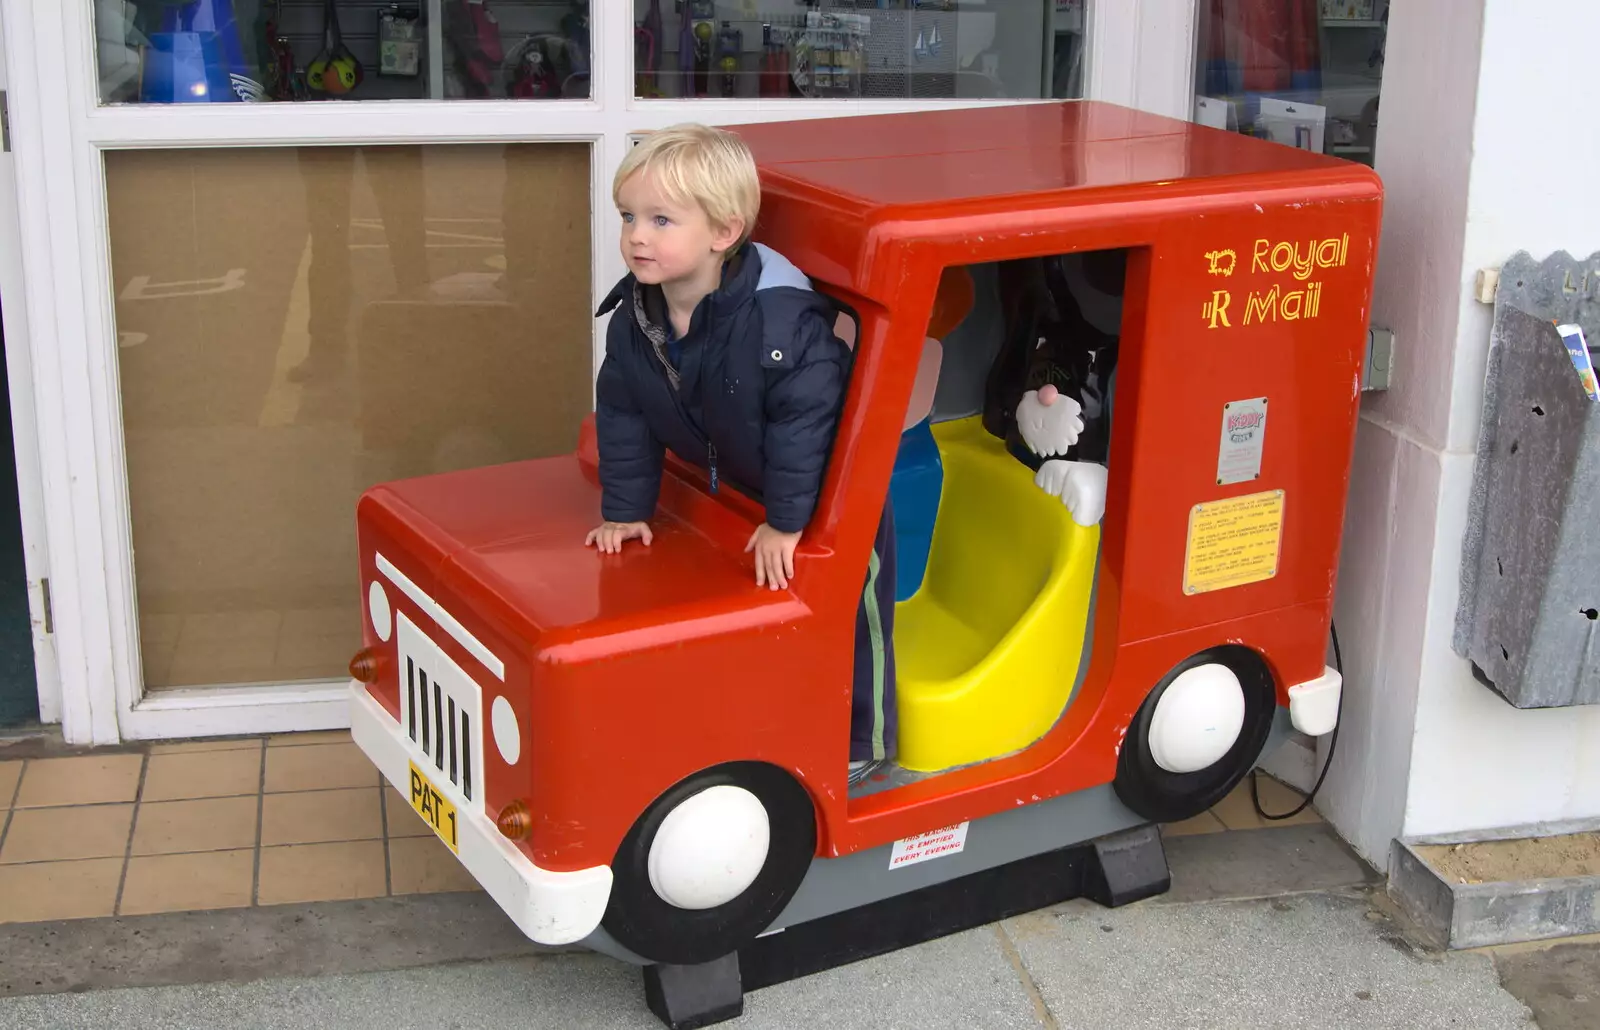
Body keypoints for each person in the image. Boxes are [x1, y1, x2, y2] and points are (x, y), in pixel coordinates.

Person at [585, 124, 897, 784]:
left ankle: (863, 738)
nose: (636, 235)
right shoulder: (635, 319)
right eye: (629, 216)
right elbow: (623, 410)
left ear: (722, 234)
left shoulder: (779, 323)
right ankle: (768, 726)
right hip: (740, 486)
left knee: (853, 601)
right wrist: (626, 509)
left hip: (831, 496)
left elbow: (808, 423)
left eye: (661, 219)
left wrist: (789, 522)